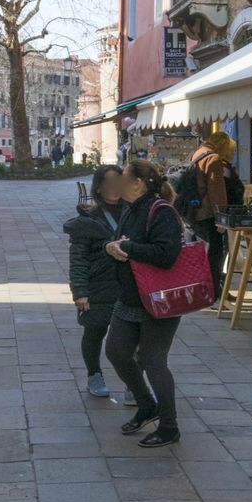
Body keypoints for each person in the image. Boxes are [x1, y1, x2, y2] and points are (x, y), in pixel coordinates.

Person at [103, 160, 186, 448]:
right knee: (116, 351)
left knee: (153, 361)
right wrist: (116, 247)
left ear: (137, 183)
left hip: (159, 298)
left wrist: (127, 248)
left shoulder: (161, 211)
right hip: (131, 295)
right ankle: (146, 404)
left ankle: (169, 426)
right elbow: (126, 242)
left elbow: (167, 254)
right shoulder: (131, 209)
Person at [64, 164, 127, 399]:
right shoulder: (89, 220)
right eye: (109, 184)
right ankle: (94, 374)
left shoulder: (133, 212)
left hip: (128, 286)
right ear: (99, 187)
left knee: (133, 337)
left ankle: (133, 382)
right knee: (95, 332)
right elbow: (78, 260)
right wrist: (80, 292)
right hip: (99, 286)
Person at [173, 130, 244, 300]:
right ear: (223, 146)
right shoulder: (214, 159)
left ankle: (200, 289)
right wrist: (221, 217)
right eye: (231, 150)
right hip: (208, 215)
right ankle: (214, 291)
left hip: (193, 212)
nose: (232, 154)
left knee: (199, 253)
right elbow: (216, 191)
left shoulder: (198, 153)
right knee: (215, 254)